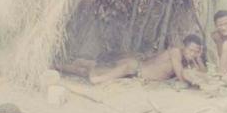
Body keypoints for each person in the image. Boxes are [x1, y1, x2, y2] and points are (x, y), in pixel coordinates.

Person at [53, 34, 208, 91]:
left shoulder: (186, 60)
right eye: (191, 50)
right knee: (96, 78)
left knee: (92, 70)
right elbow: (182, 77)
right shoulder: (176, 52)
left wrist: (198, 58)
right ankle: (60, 65)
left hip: (133, 72)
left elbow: (203, 73)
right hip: (133, 67)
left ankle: (60, 66)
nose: (193, 53)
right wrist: (193, 61)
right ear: (184, 47)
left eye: (196, 51)